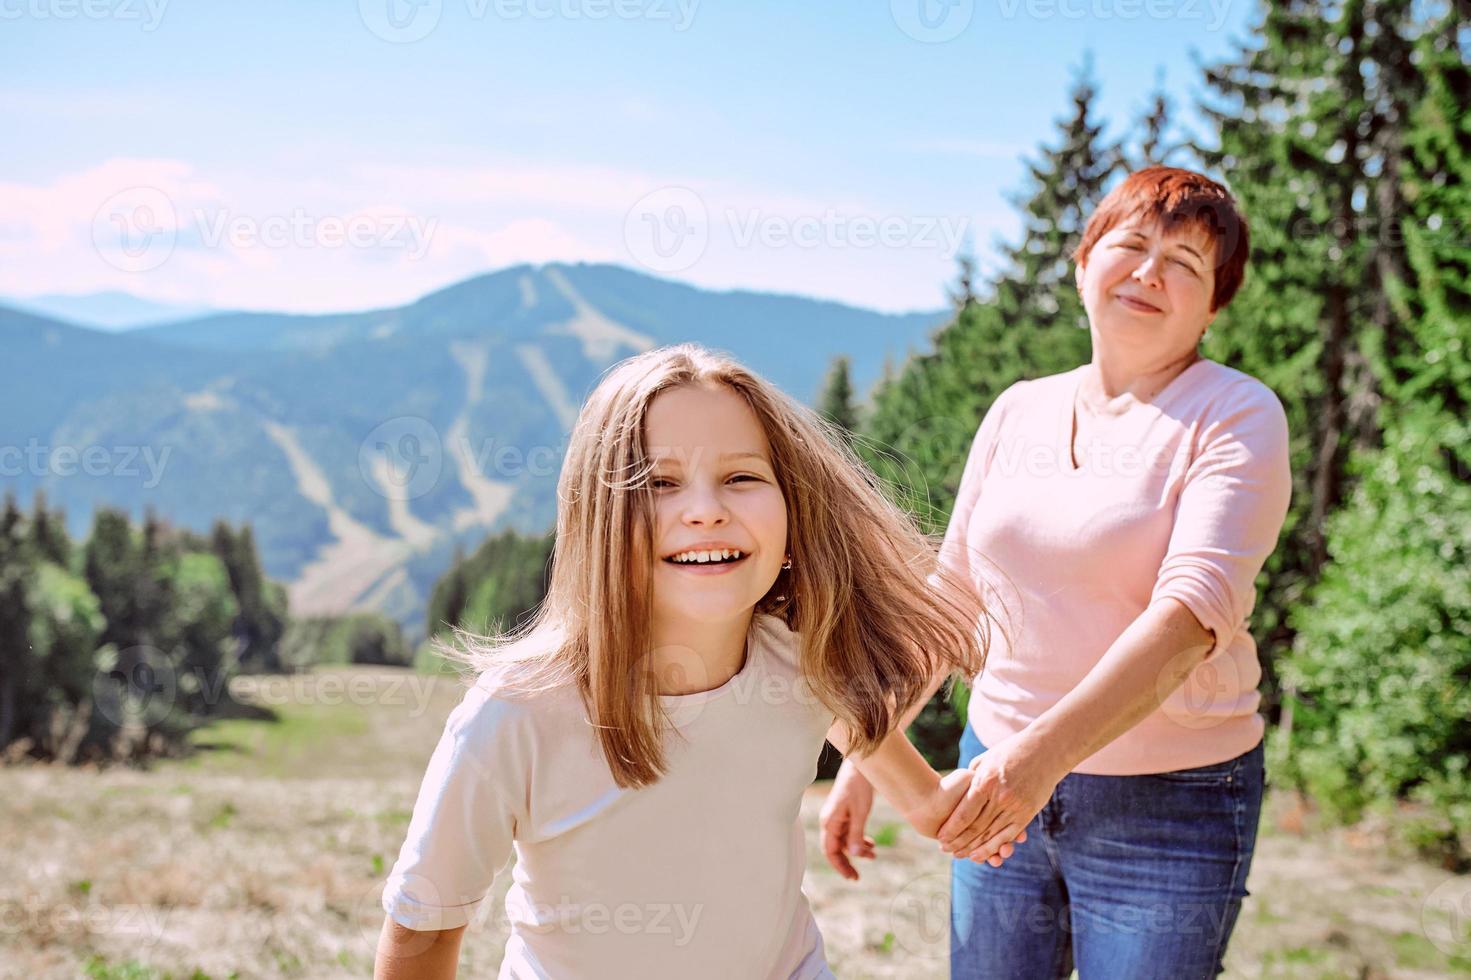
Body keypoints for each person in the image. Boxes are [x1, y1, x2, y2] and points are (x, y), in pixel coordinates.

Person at [373, 343, 1007, 979]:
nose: (705, 509)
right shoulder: (516, 713)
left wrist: (958, 804)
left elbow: (891, 767)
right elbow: (424, 932)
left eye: (741, 477)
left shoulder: (802, 661)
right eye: (659, 484)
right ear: (599, 521)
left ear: (794, 509)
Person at [819, 166, 1292, 979]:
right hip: (993, 777)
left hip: (1170, 803)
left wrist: (1034, 766)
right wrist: (872, 755)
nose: (1149, 272)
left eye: (1184, 263)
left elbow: (1188, 619)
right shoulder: (1018, 408)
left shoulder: (1235, 414)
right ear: (1082, 264)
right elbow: (956, 595)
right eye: (1132, 245)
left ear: (1214, 306)